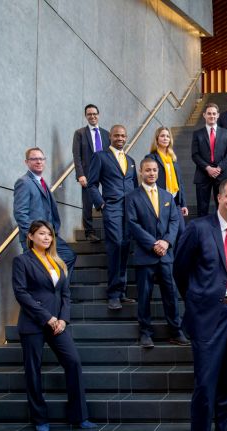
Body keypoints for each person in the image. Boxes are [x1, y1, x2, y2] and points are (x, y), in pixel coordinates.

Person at [174, 179, 227, 431]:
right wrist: (198, 299)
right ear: (218, 198)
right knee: (205, 385)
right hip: (207, 318)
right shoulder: (198, 229)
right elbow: (179, 270)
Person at [11, 220, 97, 431]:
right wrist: (47, 317)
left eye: (49, 234)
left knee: (73, 362)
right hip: (33, 323)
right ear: (30, 237)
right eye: (41, 234)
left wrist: (63, 319)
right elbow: (21, 293)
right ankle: (40, 419)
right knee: (33, 370)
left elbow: (65, 294)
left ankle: (79, 416)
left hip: (57, 323)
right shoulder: (22, 261)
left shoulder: (58, 262)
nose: (47, 238)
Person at [126, 158, 189, 348]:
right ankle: (145, 332)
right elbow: (132, 224)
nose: (152, 173)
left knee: (171, 294)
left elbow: (174, 222)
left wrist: (166, 241)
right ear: (141, 172)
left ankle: (176, 331)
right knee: (144, 296)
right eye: (148, 170)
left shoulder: (167, 196)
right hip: (146, 255)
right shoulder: (132, 197)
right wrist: (153, 243)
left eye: (154, 170)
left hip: (166, 256)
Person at [87, 125, 138, 311]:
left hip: (130, 210)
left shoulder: (131, 160)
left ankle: (122, 291)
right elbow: (91, 184)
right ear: (110, 137)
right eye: (117, 135)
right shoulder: (100, 156)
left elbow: (134, 185)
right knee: (115, 245)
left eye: (123, 135)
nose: (120, 138)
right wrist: (101, 204)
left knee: (126, 246)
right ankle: (113, 294)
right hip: (112, 207)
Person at [13, 147, 76, 273]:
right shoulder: (24, 182)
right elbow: (20, 213)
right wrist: (33, 237)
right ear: (27, 162)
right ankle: (50, 290)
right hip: (34, 239)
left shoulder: (42, 182)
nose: (39, 161)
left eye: (41, 159)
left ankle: (55, 289)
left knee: (68, 256)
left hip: (49, 235)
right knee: (38, 271)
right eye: (34, 159)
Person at [72, 103, 110, 242]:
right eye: (89, 114)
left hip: (105, 171)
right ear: (86, 116)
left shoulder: (107, 134)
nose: (92, 116)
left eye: (94, 113)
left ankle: (109, 228)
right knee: (87, 202)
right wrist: (80, 174)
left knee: (107, 199)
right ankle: (89, 232)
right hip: (88, 172)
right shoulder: (80, 133)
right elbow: (77, 156)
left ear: (98, 115)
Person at [191, 103, 227, 217]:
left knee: (223, 207)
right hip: (203, 174)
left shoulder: (226, 133)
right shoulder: (197, 134)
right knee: (202, 208)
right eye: (209, 113)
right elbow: (195, 155)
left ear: (218, 115)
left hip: (222, 175)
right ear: (204, 115)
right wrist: (208, 168)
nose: (212, 116)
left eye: (214, 113)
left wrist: (219, 168)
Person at [145, 127, 189, 223]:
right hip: (160, 201)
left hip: (175, 201)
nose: (165, 138)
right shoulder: (151, 158)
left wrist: (183, 204)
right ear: (157, 139)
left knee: (181, 230)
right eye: (162, 136)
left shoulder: (172, 159)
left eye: (168, 136)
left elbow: (180, 182)